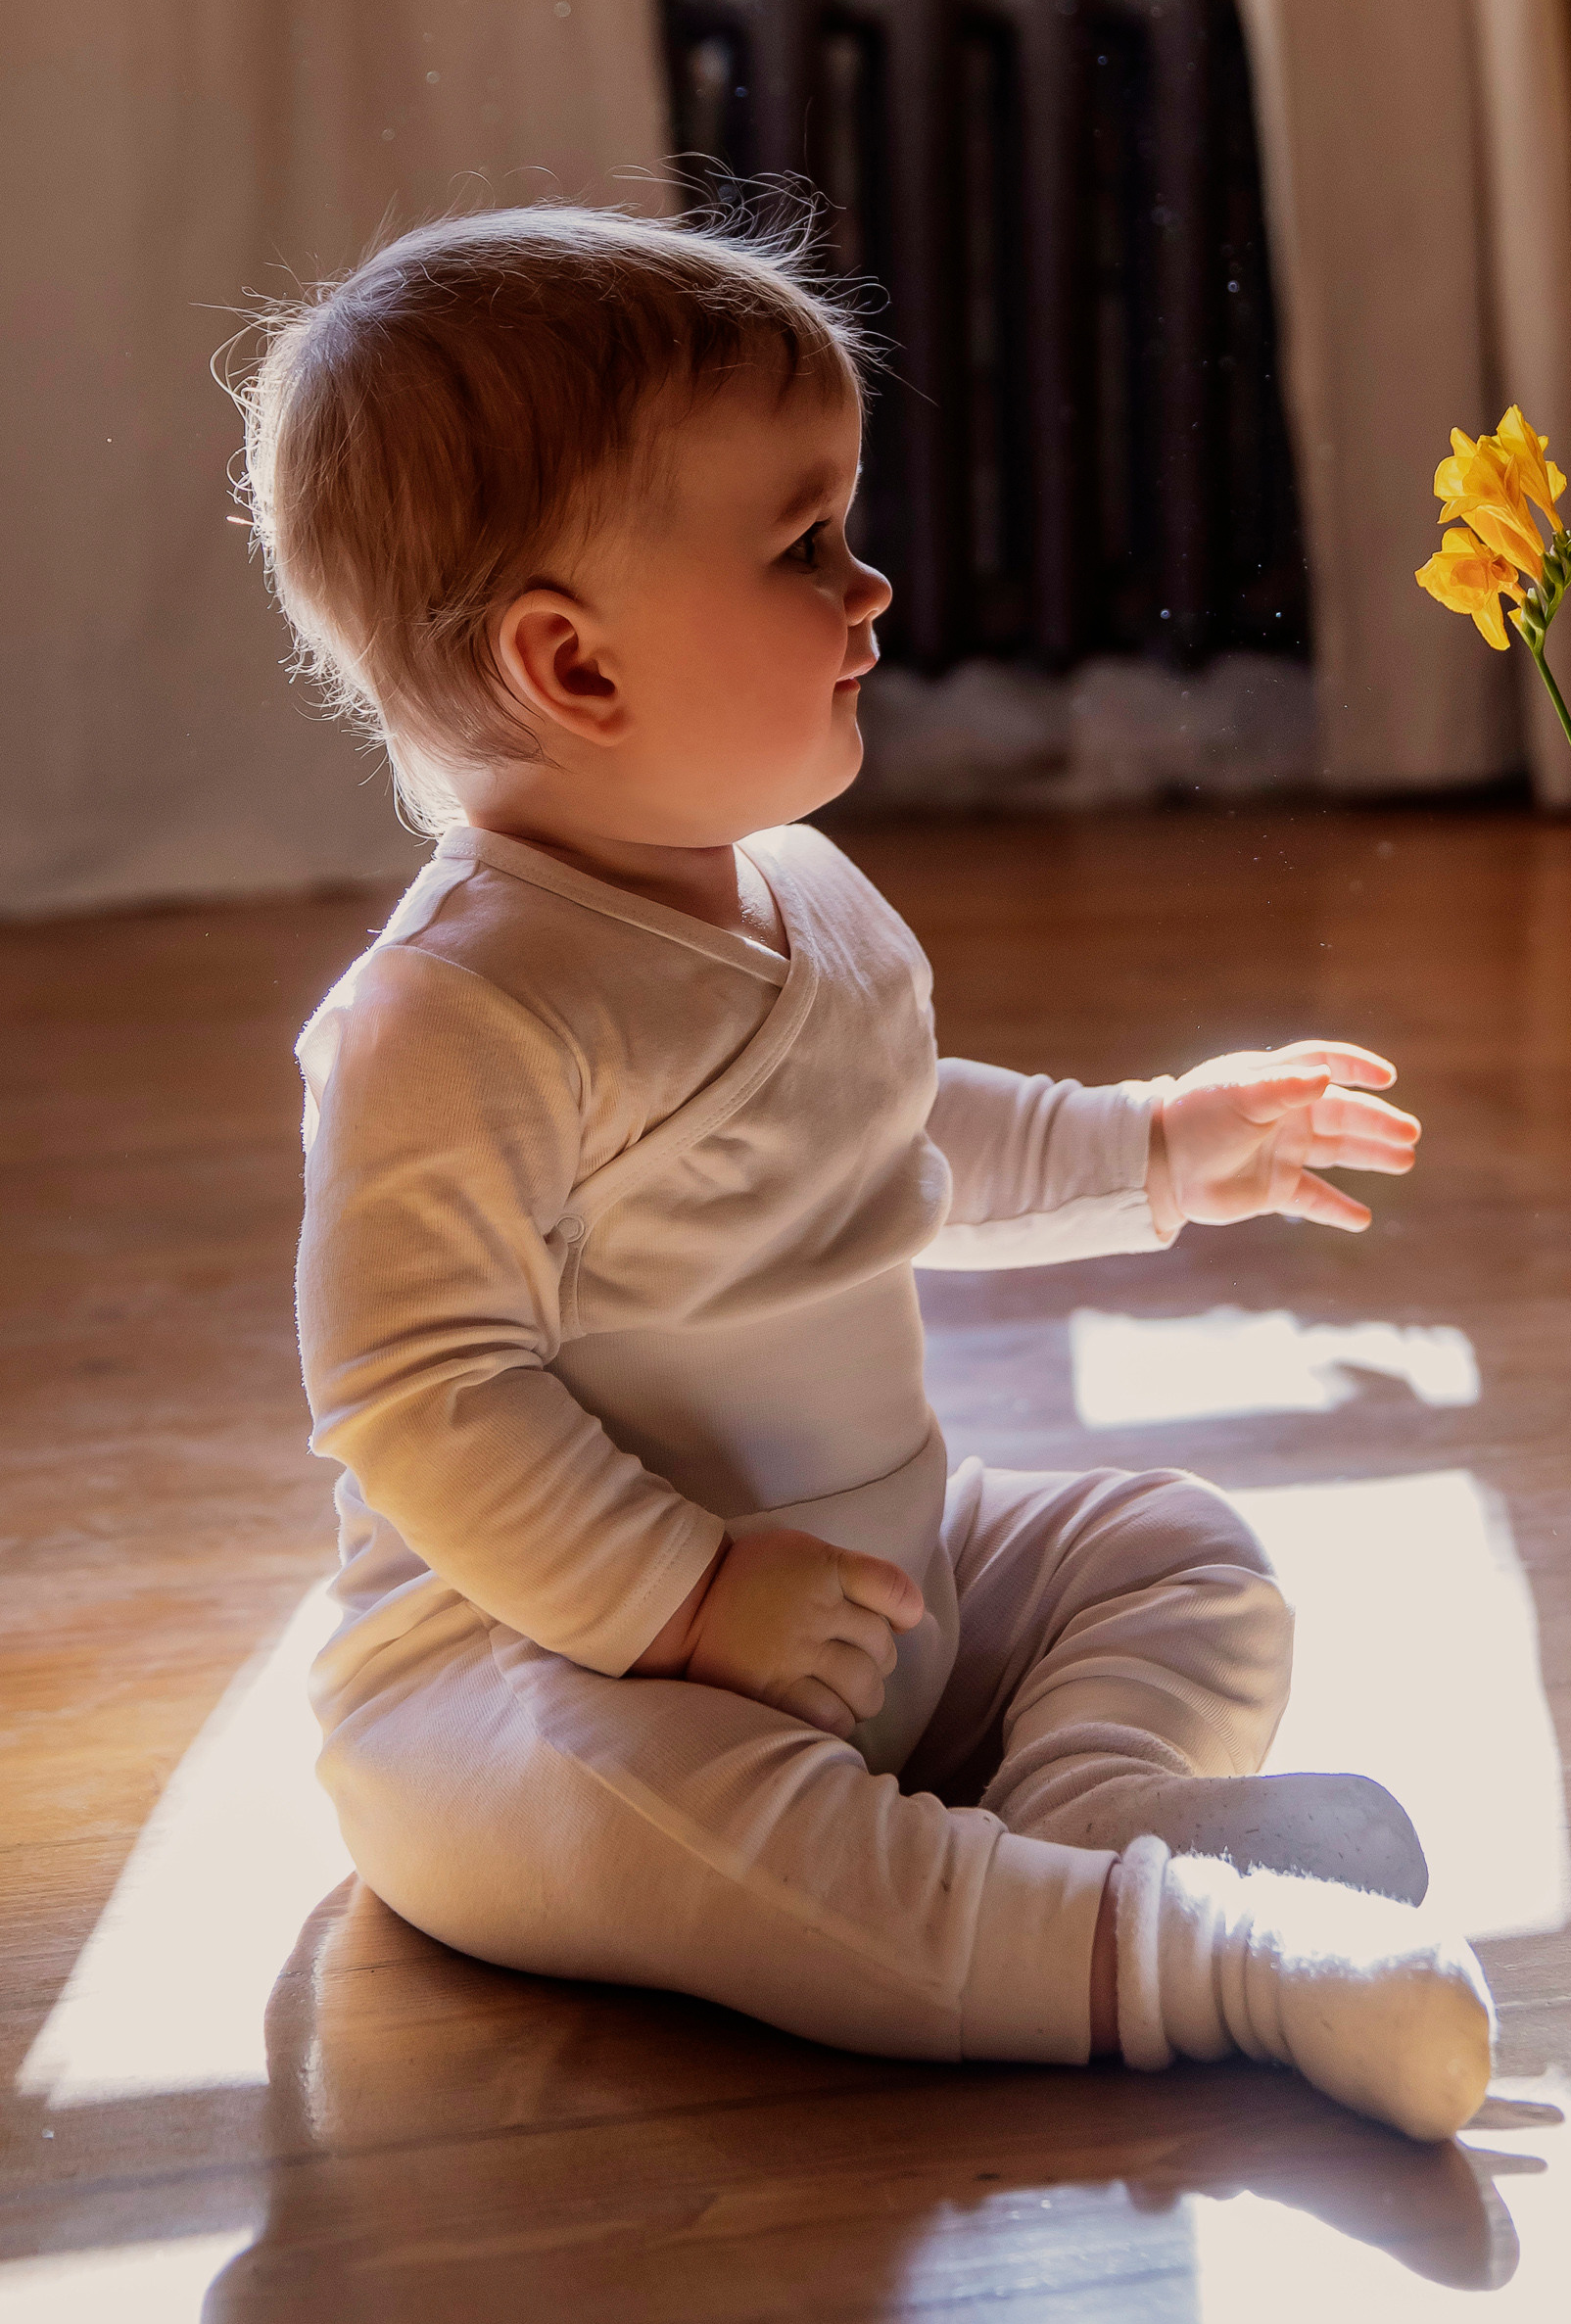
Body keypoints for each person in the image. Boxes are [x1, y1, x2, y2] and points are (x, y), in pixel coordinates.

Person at [237, 204, 1494, 2142]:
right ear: (572, 668)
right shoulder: (451, 1019)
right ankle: (1209, 1968)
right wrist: (682, 1599)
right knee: (637, 1811)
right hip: (556, 1660)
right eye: (803, 545)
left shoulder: (790, 883)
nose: (874, 585)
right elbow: (422, 1394)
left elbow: (887, 1129)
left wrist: (1150, 1146)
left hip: (867, 1588)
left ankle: (1081, 1836)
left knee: (1168, 1550)